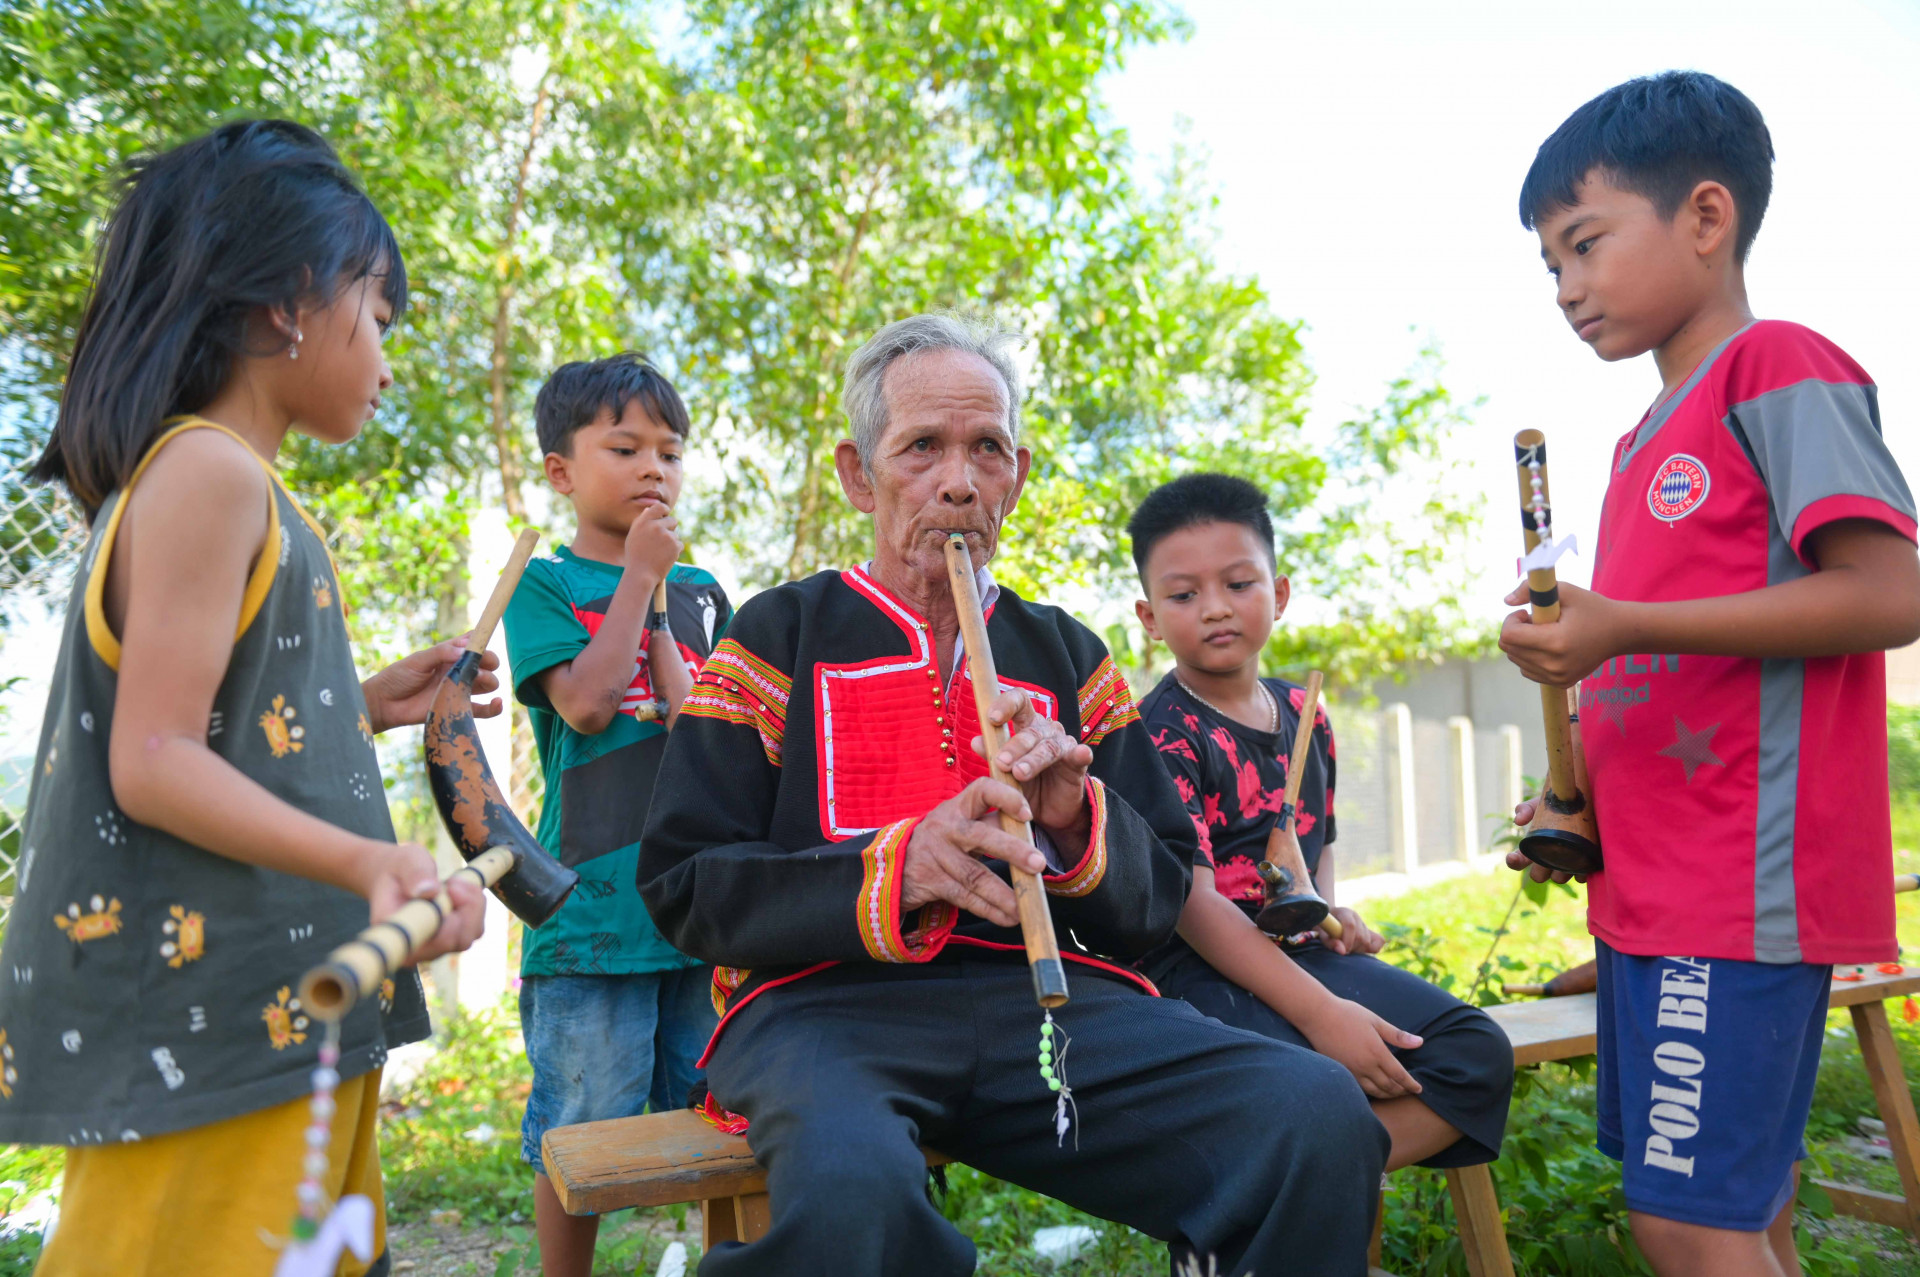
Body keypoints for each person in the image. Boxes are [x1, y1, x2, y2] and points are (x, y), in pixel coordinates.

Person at [639, 313, 1387, 1277]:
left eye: (986, 449)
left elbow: (1158, 900)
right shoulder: (776, 636)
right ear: (859, 475)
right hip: (819, 1015)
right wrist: (896, 869)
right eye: (922, 449)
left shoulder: (1066, 654)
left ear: (1017, 476)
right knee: (854, 1204)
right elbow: (685, 885)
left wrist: (1077, 823)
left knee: (1312, 1113)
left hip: (1042, 1006)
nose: (958, 481)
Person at [0, 119, 493, 1275]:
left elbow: (218, 720)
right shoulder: (211, 472)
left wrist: (362, 701)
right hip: (212, 1030)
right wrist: (373, 864)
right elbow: (154, 754)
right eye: (377, 318)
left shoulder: (228, 483)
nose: (384, 356)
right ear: (288, 301)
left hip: (279, 1014)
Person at [1505, 72, 1920, 1277]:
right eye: (1549, 265)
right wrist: (1575, 797)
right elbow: (1672, 664)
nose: (1568, 286)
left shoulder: (1776, 367)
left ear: (1704, 216)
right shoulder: (1639, 443)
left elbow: (1893, 590)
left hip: (1737, 896)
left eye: (1585, 243)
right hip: (1656, 892)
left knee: (1690, 1226)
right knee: (1740, 1216)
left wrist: (1619, 622)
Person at [1126, 473, 1513, 1174]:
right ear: (1149, 617)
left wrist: (1330, 914)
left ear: (1278, 593)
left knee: (1472, 1052)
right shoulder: (1159, 733)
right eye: (1183, 594)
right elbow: (1191, 905)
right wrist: (1322, 1012)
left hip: (1298, 951)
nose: (1214, 608)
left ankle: (1274, 1179)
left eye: (1239, 583)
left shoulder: (1305, 711)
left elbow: (1315, 840)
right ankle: (1280, 1183)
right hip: (1202, 970)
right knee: (1308, 1081)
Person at [504, 353, 731, 1275]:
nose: (654, 469)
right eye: (626, 446)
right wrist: (639, 579)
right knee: (582, 1137)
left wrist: (669, 600)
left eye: (670, 453)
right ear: (562, 470)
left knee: (726, 1115)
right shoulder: (544, 584)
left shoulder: (707, 589)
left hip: (703, 907)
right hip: (592, 912)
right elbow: (589, 706)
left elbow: (710, 730)